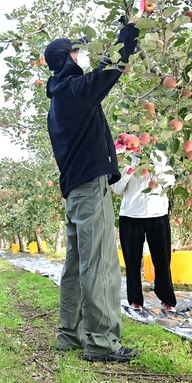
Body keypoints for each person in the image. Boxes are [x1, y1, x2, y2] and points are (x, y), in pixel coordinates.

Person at [44, 21, 141, 363]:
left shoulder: (58, 100)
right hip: (88, 188)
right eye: (77, 51)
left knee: (76, 266)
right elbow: (105, 75)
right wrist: (125, 41)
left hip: (75, 192)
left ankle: (70, 334)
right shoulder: (72, 92)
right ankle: (102, 342)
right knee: (100, 264)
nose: (82, 54)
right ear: (68, 59)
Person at [112, 145, 177, 312]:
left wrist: (155, 175)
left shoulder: (157, 154)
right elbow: (116, 188)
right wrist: (130, 170)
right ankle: (135, 300)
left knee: (162, 260)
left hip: (157, 214)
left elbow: (171, 180)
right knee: (132, 261)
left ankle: (167, 299)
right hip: (131, 216)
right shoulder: (122, 157)